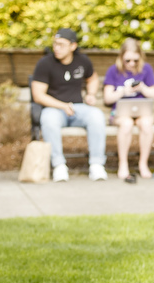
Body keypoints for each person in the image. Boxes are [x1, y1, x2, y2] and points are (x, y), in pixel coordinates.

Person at [30, 28, 107, 183]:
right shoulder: (45, 63)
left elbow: (92, 79)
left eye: (61, 44)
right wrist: (63, 106)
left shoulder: (83, 61)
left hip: (78, 107)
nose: (56, 48)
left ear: (73, 46)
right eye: (55, 44)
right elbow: (38, 95)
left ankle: (97, 165)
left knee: (97, 116)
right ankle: (59, 166)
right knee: (48, 119)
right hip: (54, 109)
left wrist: (91, 94)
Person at [102, 38, 154, 183]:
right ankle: (123, 164)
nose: (132, 64)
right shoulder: (113, 71)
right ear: (121, 58)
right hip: (120, 114)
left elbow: (153, 93)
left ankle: (143, 164)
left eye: (135, 60)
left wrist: (142, 88)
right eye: (128, 61)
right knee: (126, 124)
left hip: (141, 112)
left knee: (146, 123)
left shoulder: (146, 69)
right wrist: (123, 92)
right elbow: (107, 98)